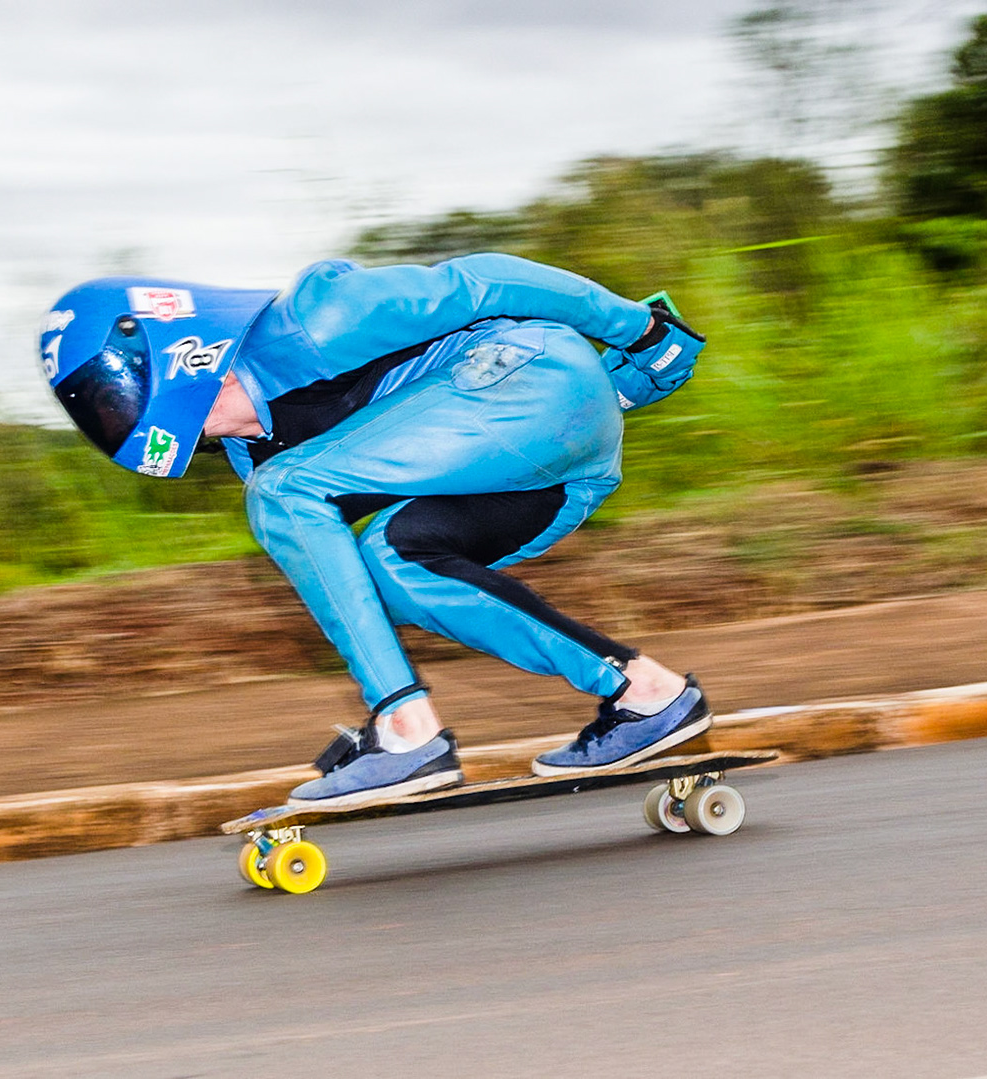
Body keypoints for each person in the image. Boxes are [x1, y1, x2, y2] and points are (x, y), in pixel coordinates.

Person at [39, 253, 710, 807]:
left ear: (156, 350)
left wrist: (636, 331)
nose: (110, 416)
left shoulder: (310, 320)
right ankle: (647, 693)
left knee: (286, 492)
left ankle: (404, 730)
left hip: (529, 375)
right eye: (96, 410)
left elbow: (486, 281)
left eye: (108, 395)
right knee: (392, 565)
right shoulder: (261, 455)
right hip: (544, 478)